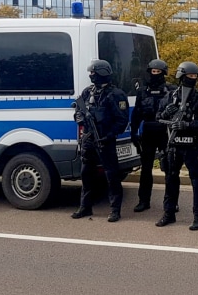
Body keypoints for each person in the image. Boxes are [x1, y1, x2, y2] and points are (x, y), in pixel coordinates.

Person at [155, 61, 198, 231]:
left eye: (195, 76)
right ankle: (169, 213)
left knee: (197, 181)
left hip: (191, 144)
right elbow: (158, 116)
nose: (192, 79)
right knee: (170, 179)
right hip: (173, 145)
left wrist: (188, 125)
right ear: (181, 77)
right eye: (189, 76)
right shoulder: (170, 96)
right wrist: (167, 113)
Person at [71, 60, 130, 223]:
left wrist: (109, 136)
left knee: (112, 175)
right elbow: (78, 112)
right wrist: (79, 118)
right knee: (86, 174)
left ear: (102, 73)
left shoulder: (116, 94)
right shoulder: (87, 93)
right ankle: (85, 206)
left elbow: (122, 120)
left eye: (93, 73)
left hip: (105, 140)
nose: (91, 76)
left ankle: (115, 210)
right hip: (89, 140)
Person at [130, 59, 177, 213]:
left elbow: (178, 113)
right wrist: (134, 133)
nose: (154, 74)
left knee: (169, 168)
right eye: (152, 72)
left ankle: (171, 202)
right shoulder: (142, 91)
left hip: (165, 132)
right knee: (146, 169)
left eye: (158, 72)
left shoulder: (172, 90)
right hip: (148, 131)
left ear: (164, 73)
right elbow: (137, 114)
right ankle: (143, 201)